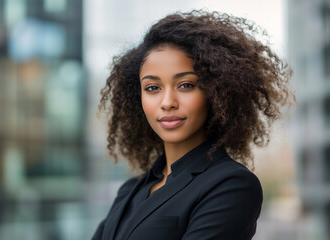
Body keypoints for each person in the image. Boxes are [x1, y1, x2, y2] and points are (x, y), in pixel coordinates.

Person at [92, 10, 293, 240]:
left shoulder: (231, 186)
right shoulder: (129, 190)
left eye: (186, 85)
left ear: (216, 92)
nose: (167, 103)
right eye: (152, 88)